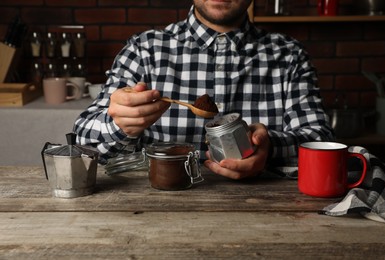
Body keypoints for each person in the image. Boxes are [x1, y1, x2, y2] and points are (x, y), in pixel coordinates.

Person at [73, 0, 334, 180]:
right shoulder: (145, 50)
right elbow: (83, 141)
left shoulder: (289, 55)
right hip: (156, 211)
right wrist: (119, 125)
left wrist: (270, 147)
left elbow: (321, 142)